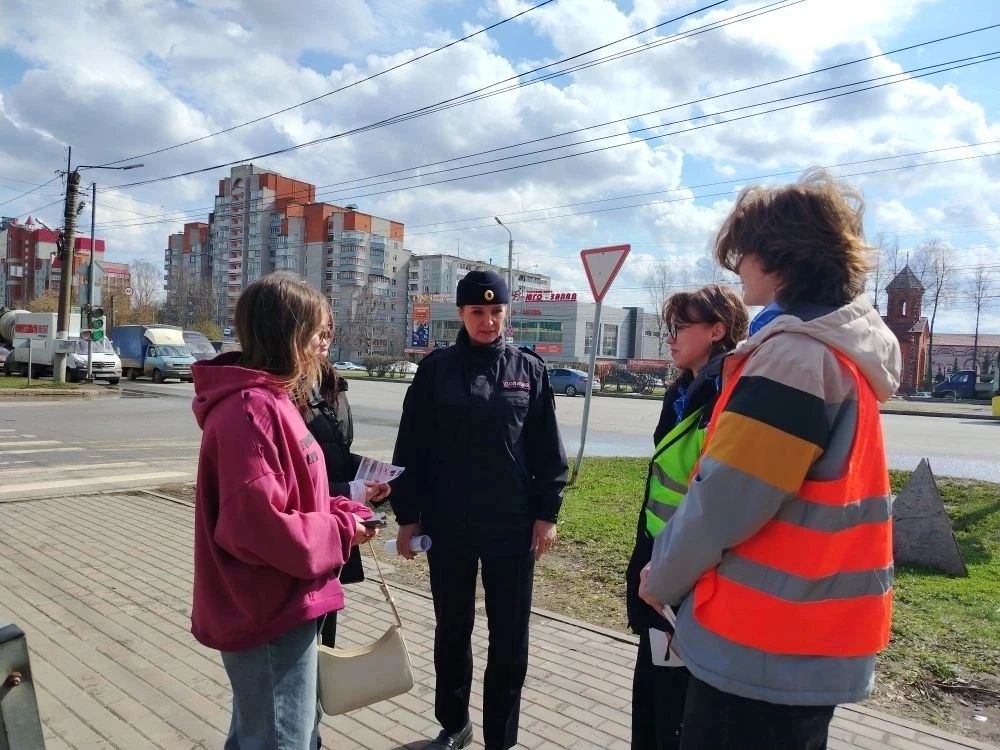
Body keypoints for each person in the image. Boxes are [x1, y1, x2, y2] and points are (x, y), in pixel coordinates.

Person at [640, 168, 901, 750]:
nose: (738, 267)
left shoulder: (794, 359)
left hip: (761, 646)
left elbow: (726, 501)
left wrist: (663, 575)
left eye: (744, 253)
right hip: (804, 636)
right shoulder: (842, 354)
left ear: (780, 255)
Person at [190, 273, 379, 750]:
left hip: (283, 603)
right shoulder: (250, 411)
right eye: (318, 331)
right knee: (280, 738)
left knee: (263, 733)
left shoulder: (274, 399)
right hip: (268, 609)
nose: (324, 341)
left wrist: (340, 507)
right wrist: (341, 529)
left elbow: (292, 494)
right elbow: (260, 527)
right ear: (288, 333)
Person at [390, 270, 568, 750]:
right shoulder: (435, 371)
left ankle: (500, 740)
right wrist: (408, 517)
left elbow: (548, 451)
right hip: (449, 523)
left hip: (512, 525)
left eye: (495, 312)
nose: (487, 321)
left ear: (506, 313)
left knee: (509, 636)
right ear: (460, 314)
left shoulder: (529, 371)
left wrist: (547, 514)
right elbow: (411, 448)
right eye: (477, 312)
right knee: (452, 628)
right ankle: (454, 725)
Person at [625, 285, 748, 750]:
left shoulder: (729, 395)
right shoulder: (682, 392)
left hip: (693, 576)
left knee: (677, 709)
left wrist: (669, 571)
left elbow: (718, 499)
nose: (670, 338)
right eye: (668, 328)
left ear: (717, 331)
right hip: (661, 563)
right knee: (653, 696)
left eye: (680, 327)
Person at [303, 353, 391, 649]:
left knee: (326, 636)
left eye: (328, 333)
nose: (323, 340)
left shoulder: (331, 383)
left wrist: (370, 477)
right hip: (309, 531)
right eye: (318, 332)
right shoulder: (283, 390)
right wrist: (350, 491)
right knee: (306, 642)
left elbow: (338, 451)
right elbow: (296, 482)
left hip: (336, 522)